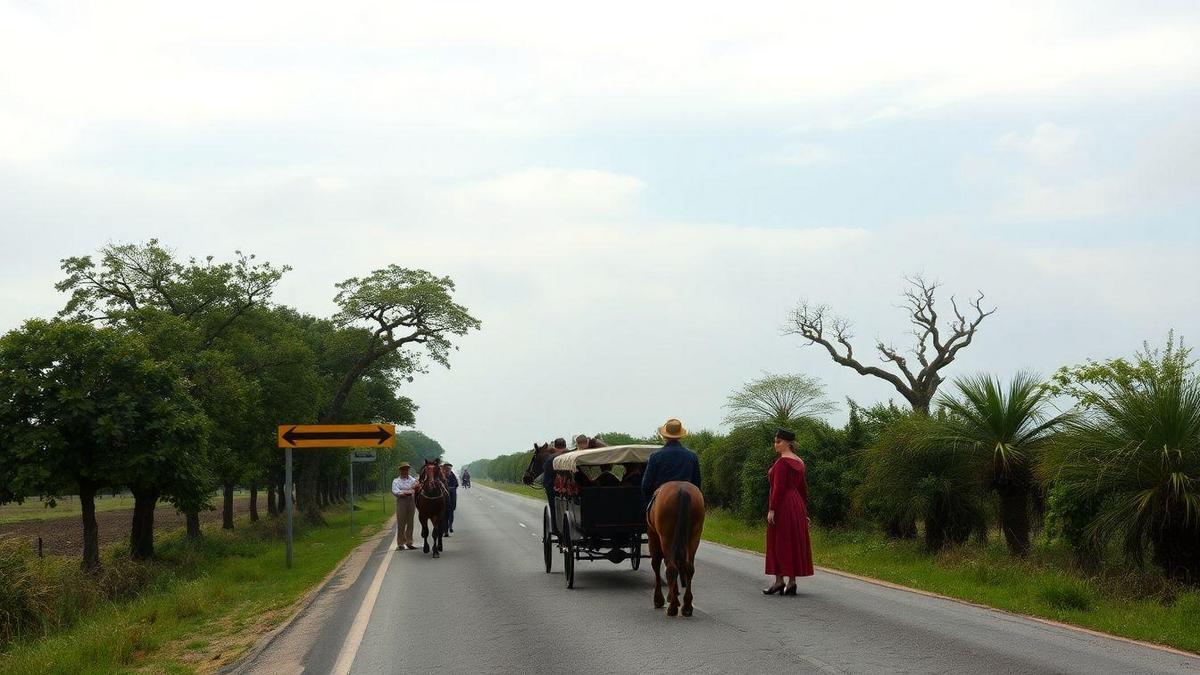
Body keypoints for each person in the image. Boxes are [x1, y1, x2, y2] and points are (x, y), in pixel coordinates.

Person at [763, 428, 814, 596]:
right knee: (792, 540)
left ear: (788, 443)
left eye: (778, 441)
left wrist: (772, 509)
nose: (775, 444)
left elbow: (778, 488)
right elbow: (803, 489)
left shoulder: (782, 462)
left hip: (783, 504)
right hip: (796, 504)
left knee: (779, 541)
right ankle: (791, 581)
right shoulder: (799, 461)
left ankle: (779, 581)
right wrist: (804, 510)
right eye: (775, 441)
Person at [641, 418, 702, 505]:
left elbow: (646, 485)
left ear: (664, 436)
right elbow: (697, 483)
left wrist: (649, 501)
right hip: (689, 495)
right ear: (680, 436)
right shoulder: (692, 455)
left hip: (661, 498)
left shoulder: (655, 456)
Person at [391, 462, 419, 550]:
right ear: (400, 470)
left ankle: (409, 542)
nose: (405, 471)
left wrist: (411, 489)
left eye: (406, 469)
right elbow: (396, 491)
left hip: (411, 501)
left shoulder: (412, 480)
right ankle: (400, 543)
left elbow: (417, 487)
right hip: (401, 501)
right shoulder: (396, 481)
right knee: (401, 522)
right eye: (403, 469)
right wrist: (406, 491)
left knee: (410, 522)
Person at [543, 438, 568, 531]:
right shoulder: (571, 456)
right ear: (565, 446)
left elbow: (547, 480)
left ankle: (555, 527)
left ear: (555, 447)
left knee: (553, 507)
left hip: (556, 491)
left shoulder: (551, 459)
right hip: (572, 491)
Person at [442, 462, 459, 535]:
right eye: (446, 468)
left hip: (451, 496)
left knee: (451, 512)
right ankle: (445, 530)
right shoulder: (441, 475)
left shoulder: (452, 475)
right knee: (444, 514)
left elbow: (456, 484)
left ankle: (450, 525)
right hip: (443, 497)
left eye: (449, 468)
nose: (447, 469)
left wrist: (450, 488)